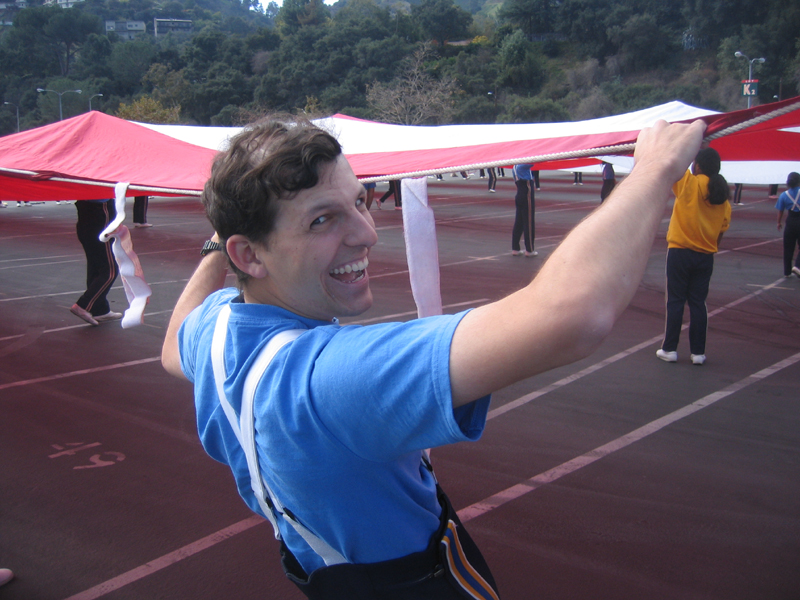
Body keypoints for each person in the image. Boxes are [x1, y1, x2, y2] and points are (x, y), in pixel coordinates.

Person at [161, 115, 706, 599]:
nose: (368, 233)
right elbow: (571, 313)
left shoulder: (216, 329)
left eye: (360, 201)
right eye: (321, 220)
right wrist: (654, 169)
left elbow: (172, 344)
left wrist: (220, 248)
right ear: (249, 254)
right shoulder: (331, 377)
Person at [656, 147, 731, 366]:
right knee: (698, 303)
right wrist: (709, 247)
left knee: (676, 301)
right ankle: (698, 352)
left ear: (697, 165)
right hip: (705, 255)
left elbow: (673, 160)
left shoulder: (689, 183)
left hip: (680, 251)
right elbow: (722, 230)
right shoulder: (722, 197)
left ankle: (670, 348)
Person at [70, 199, 122, 326]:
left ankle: (99, 309)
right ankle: (83, 305)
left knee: (96, 265)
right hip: (99, 216)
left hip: (86, 216)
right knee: (110, 270)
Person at [775, 171, 800, 278]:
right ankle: (797, 266)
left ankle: (787, 271)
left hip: (790, 221)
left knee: (788, 246)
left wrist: (779, 222)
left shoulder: (784, 195)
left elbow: (780, 210)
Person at [511, 163, 536, 256]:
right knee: (528, 222)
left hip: (519, 193)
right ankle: (529, 250)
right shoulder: (521, 166)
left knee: (519, 222)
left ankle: (515, 248)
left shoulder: (514, 167)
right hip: (526, 194)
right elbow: (533, 161)